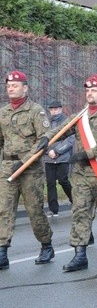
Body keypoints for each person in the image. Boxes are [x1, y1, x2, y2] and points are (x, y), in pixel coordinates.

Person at [44, 74, 97, 272]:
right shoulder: (80, 117)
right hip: (82, 175)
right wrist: (45, 140)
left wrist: (85, 154)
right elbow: (61, 130)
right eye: (88, 90)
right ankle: (80, 254)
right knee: (80, 212)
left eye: (94, 90)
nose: (90, 93)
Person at [0, 71, 54, 270]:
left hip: (30, 169)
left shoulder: (35, 111)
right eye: (8, 86)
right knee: (3, 209)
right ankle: (2, 251)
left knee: (34, 209)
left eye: (15, 85)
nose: (11, 88)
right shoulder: (3, 112)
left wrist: (23, 161)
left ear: (25, 88)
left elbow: (44, 140)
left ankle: (46, 245)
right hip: (7, 168)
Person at [43, 100, 74, 216]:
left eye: (56, 109)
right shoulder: (46, 122)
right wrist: (48, 151)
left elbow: (70, 140)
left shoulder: (67, 122)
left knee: (63, 180)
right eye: (51, 109)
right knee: (50, 183)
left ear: (61, 109)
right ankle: (53, 209)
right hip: (48, 158)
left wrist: (57, 151)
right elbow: (42, 139)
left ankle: (75, 202)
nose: (53, 111)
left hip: (63, 157)